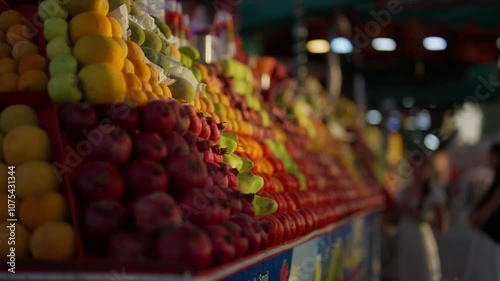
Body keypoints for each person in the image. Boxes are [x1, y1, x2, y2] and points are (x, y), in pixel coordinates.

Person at [396, 157, 448, 281]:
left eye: (421, 167)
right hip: (404, 242)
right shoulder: (403, 190)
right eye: (415, 167)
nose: (418, 171)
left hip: (421, 243)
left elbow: (442, 227)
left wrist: (421, 218)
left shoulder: (433, 193)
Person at [464, 144, 500, 281]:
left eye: (493, 157)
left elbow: (483, 214)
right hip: (487, 242)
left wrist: (475, 217)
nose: (490, 160)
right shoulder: (493, 183)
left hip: (492, 244)